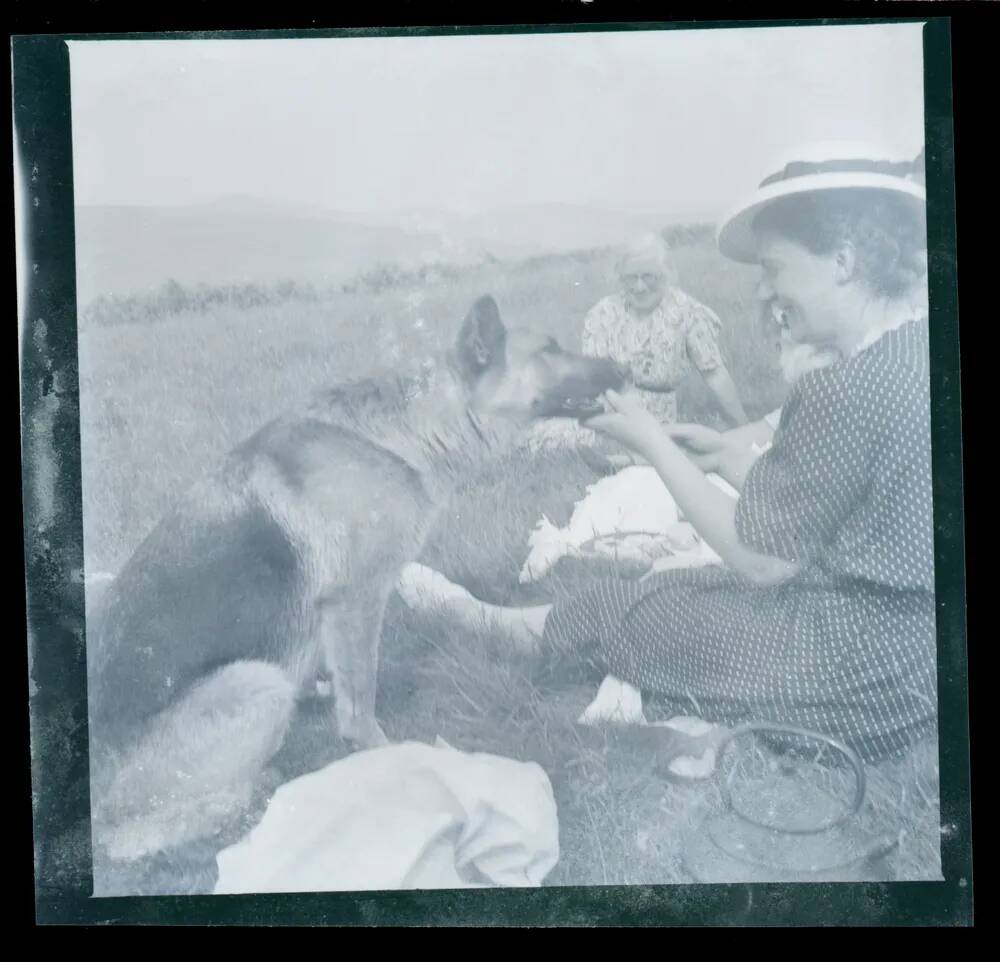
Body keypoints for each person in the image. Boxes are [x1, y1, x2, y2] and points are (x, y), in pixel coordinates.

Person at [399, 143, 935, 764]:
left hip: (857, 671)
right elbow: (832, 504)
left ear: (842, 261)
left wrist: (651, 441)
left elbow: (763, 561)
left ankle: (476, 617)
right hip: (922, 662)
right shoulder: (917, 348)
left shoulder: (843, 387)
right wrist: (725, 460)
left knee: (644, 610)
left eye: (776, 268)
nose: (765, 291)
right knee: (691, 584)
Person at [582, 233, 749, 428]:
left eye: (648, 277)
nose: (640, 287)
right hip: (603, 412)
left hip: (654, 422)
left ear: (665, 274)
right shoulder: (602, 313)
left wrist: (746, 429)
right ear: (619, 277)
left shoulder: (687, 313)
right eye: (630, 278)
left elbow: (715, 374)